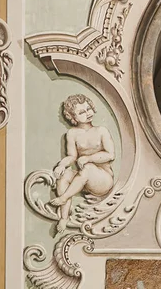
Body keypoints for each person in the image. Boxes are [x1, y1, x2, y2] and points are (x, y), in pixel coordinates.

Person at [49, 94, 115, 234]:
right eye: (82, 112)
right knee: (65, 175)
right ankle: (64, 217)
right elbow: (72, 156)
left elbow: (110, 155)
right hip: (84, 179)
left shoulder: (101, 131)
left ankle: (64, 198)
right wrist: (61, 165)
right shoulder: (72, 134)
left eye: (89, 108)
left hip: (103, 179)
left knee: (88, 168)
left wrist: (89, 158)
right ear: (73, 117)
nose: (88, 113)